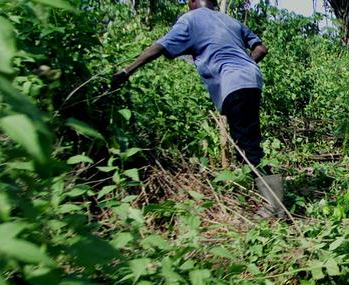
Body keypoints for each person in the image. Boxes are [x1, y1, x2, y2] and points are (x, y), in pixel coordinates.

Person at [111, 0, 284, 219]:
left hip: (233, 83)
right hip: (251, 79)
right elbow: (261, 49)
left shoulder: (191, 19)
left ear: (192, 2)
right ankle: (264, 199)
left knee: (248, 146)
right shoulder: (230, 20)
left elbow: (159, 47)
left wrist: (126, 72)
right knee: (246, 140)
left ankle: (274, 206)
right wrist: (244, 65)